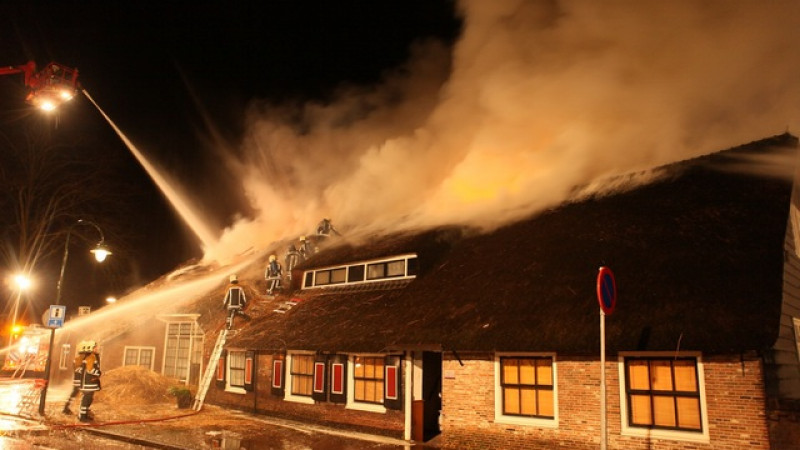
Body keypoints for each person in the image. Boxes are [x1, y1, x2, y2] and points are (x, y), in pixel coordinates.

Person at [75, 340, 101, 422]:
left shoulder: (89, 356)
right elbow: (90, 369)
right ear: (91, 348)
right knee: (86, 399)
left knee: (89, 399)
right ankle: (82, 416)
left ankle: (84, 414)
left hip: (89, 382)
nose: (97, 348)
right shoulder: (91, 357)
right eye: (95, 347)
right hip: (88, 382)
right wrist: (98, 373)